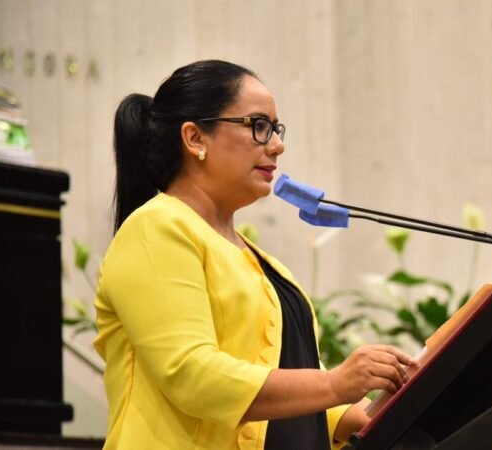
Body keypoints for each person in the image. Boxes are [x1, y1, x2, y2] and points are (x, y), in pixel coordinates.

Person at [93, 60, 418, 450]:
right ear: (195, 138)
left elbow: (291, 392)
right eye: (258, 126)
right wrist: (333, 384)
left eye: (276, 129)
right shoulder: (157, 228)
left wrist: (395, 406)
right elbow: (192, 375)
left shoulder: (262, 261)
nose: (277, 145)